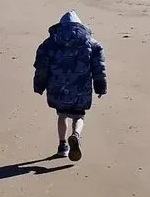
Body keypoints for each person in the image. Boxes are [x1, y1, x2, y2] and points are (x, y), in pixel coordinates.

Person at [33, 11, 107, 161]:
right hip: (81, 88)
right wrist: (100, 87)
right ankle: (76, 135)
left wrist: (39, 86)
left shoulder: (49, 44)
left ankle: (62, 146)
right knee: (79, 116)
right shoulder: (92, 44)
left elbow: (42, 67)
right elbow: (99, 68)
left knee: (62, 115)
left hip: (58, 88)